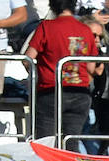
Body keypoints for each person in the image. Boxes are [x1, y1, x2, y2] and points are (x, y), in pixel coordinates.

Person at [27, 0, 100, 144]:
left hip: (50, 92)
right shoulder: (85, 30)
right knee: (71, 144)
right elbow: (92, 68)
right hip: (80, 93)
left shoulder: (46, 27)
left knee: (45, 145)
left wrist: (37, 74)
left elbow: (27, 59)